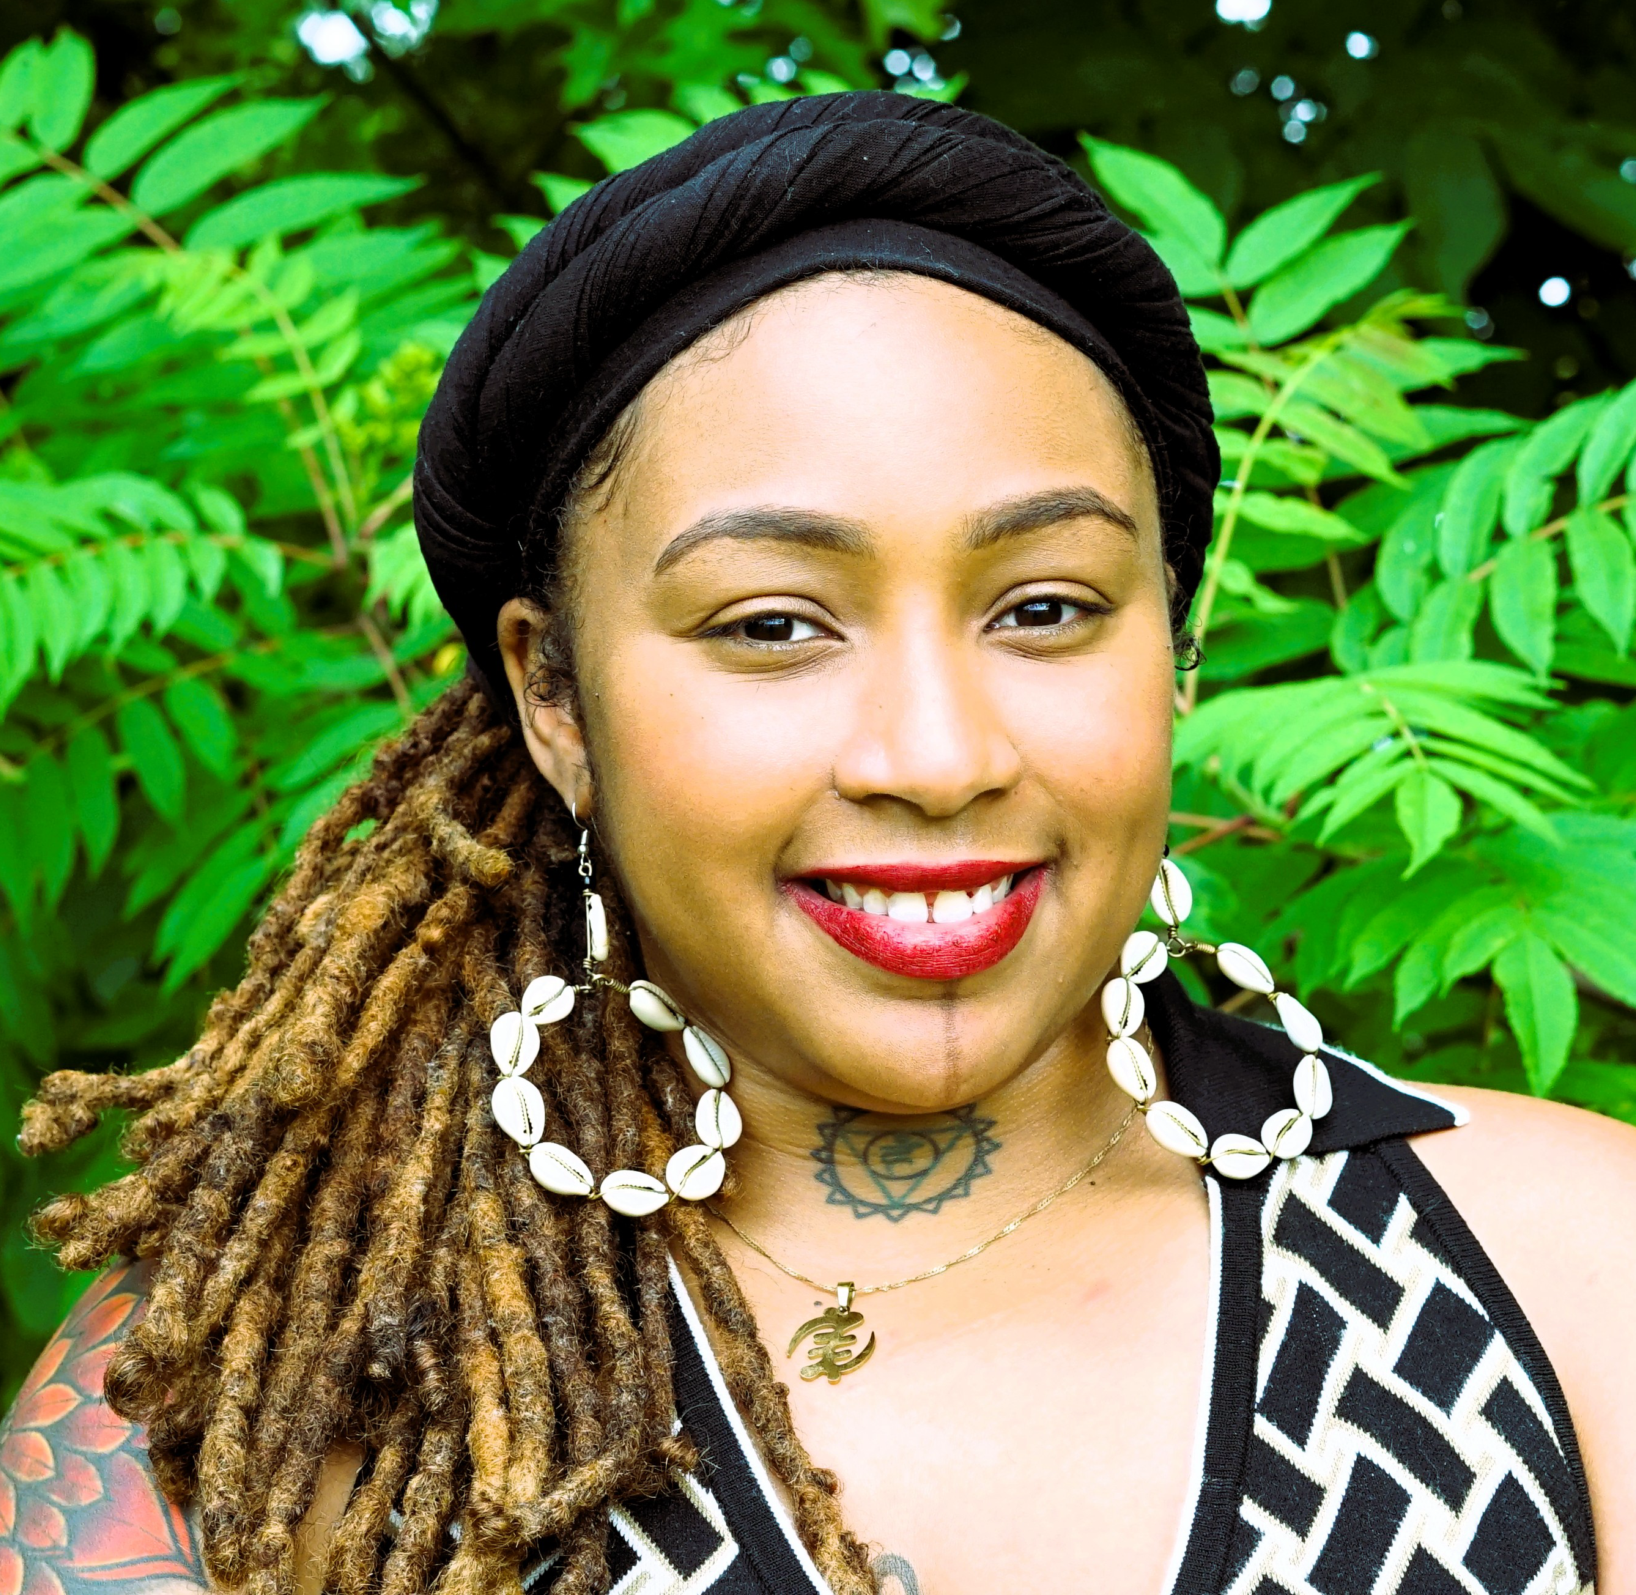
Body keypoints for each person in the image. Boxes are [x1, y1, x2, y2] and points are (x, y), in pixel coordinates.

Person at [3, 93, 1633, 1595]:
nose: (937, 756)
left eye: (1045, 607)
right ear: (555, 694)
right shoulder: (247, 1388)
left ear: (1175, 650)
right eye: (774, 623)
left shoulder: (1571, 1275)